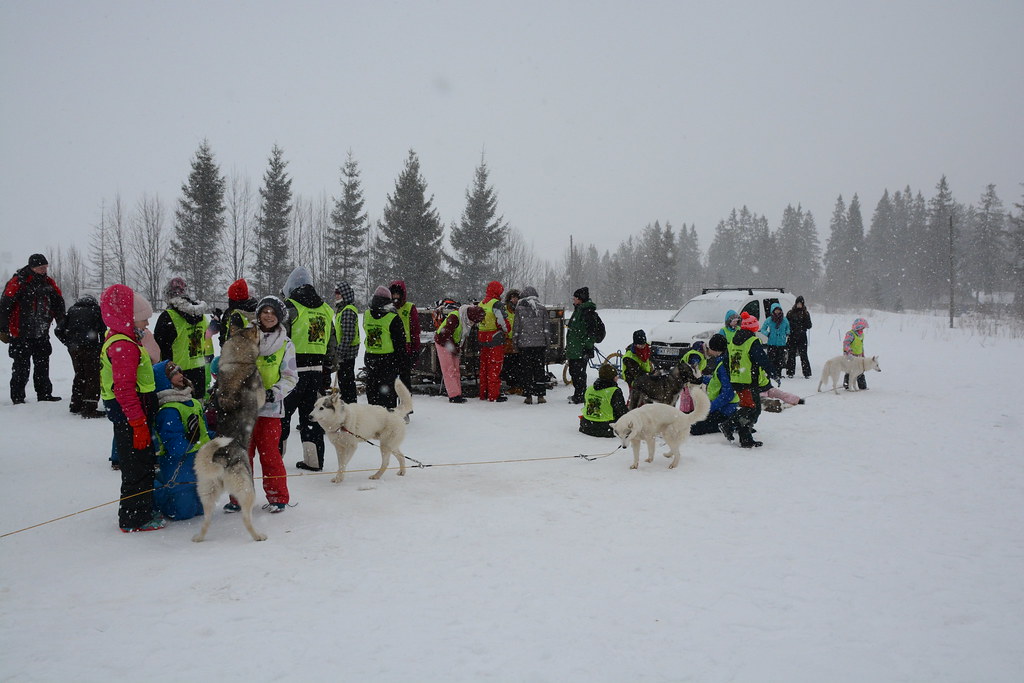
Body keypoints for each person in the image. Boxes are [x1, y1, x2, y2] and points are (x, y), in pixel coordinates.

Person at [100, 284, 164, 532]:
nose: (146, 325)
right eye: (142, 320)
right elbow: (124, 389)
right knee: (137, 466)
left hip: (134, 413)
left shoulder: (123, 338)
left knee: (142, 462)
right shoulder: (123, 345)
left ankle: (140, 508)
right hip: (131, 415)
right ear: (127, 318)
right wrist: (138, 423)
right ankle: (134, 518)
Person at [225, 295, 298, 513]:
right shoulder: (244, 338)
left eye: (273, 312)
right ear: (258, 314)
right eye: (265, 311)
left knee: (270, 454)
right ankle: (238, 498)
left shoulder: (285, 344)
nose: (268, 315)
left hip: (270, 410)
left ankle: (277, 497)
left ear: (279, 317)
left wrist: (273, 393)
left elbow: (290, 376)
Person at [281, 266, 336, 472]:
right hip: (317, 371)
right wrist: (328, 369)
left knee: (282, 416)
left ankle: (276, 459)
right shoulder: (325, 309)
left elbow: (280, 339)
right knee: (311, 417)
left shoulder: (290, 308)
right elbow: (332, 343)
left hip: (292, 371)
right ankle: (313, 460)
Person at [0, 253, 66, 404]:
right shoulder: (18, 282)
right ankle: (17, 398)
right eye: (41, 267)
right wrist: (2, 329)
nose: (44, 270)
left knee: (43, 365)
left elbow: (58, 304)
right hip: (20, 333)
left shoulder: (49, 283)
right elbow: (4, 306)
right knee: (21, 367)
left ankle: (44, 395)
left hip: (41, 332)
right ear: (32, 267)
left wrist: (62, 323)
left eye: (45, 267)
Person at [151, 360, 206, 521]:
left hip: (197, 462)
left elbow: (204, 433)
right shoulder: (168, 410)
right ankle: (152, 490)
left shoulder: (194, 402)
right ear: (164, 380)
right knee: (182, 512)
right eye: (174, 373)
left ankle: (163, 481)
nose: (180, 375)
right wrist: (190, 439)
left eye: (180, 371)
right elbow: (174, 446)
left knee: (200, 508)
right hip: (177, 463)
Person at [726, 313, 779, 448]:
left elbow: (728, 359)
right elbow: (762, 360)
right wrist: (773, 372)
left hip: (736, 378)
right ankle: (729, 425)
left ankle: (745, 437)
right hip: (748, 380)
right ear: (754, 327)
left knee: (747, 407)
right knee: (753, 409)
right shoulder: (752, 342)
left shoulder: (733, 339)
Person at [154, 277, 211, 399]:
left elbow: (158, 349)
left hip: (176, 374)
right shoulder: (201, 316)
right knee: (197, 409)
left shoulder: (168, 317)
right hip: (199, 370)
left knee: (179, 411)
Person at [55, 293, 107, 417]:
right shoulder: (96, 310)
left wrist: (68, 343)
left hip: (74, 349)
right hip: (91, 348)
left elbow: (58, 330)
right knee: (93, 377)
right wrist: (101, 346)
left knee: (80, 374)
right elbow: (103, 330)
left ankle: (76, 404)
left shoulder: (72, 310)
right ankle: (89, 408)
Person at [363, 285, 406, 409]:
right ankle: (387, 417)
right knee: (387, 393)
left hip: (371, 357)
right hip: (388, 359)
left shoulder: (366, 314)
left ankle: (374, 418)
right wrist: (401, 362)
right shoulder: (393, 318)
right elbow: (400, 343)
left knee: (372, 390)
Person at [689, 334, 740, 438]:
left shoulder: (724, 365)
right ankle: (735, 421)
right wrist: (702, 379)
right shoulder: (725, 361)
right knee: (692, 418)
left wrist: (708, 408)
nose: (708, 350)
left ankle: (731, 423)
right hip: (722, 407)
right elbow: (717, 381)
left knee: (693, 427)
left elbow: (727, 394)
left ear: (716, 350)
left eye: (710, 347)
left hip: (724, 409)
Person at [434, 298, 483, 404]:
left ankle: (457, 393)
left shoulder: (464, 318)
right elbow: (445, 335)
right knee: (449, 370)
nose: (473, 323)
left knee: (456, 370)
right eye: (474, 321)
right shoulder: (455, 317)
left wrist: (457, 348)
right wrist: (454, 348)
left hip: (453, 344)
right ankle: (454, 395)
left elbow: (460, 336)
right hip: (443, 343)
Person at [511, 286, 550, 405]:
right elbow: (546, 328)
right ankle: (540, 395)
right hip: (539, 345)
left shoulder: (519, 309)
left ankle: (528, 396)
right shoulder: (542, 309)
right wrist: (547, 343)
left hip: (524, 346)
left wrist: (515, 342)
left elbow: (516, 328)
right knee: (539, 370)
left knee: (526, 370)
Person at [565, 286, 603, 404]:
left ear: (580, 299)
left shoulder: (587, 313)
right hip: (575, 349)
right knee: (574, 372)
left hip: (581, 350)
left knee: (579, 374)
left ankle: (580, 396)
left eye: (575, 298)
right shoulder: (578, 311)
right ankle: (579, 394)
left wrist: (587, 347)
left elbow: (590, 334)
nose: (573, 300)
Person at [477, 280, 509, 402]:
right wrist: (506, 330)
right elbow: (502, 322)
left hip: (482, 338)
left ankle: (483, 393)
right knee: (494, 367)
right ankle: (493, 395)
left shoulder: (481, 303)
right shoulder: (496, 304)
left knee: (484, 368)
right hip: (494, 338)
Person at [389, 280, 421, 397]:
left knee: (404, 380)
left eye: (398, 294)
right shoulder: (388, 308)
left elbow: (415, 330)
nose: (395, 297)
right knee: (391, 379)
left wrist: (415, 349)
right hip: (391, 347)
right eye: (393, 294)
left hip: (405, 347)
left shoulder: (410, 307)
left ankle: (406, 407)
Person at [578, 363, 627, 438]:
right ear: (613, 378)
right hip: (606, 427)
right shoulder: (614, 391)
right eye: (616, 376)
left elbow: (586, 405)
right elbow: (621, 412)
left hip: (586, 425)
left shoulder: (590, 389)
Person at [332, 281, 360, 404]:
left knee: (347, 381)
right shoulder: (341, 309)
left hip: (347, 353)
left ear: (345, 295)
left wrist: (339, 354)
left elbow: (348, 335)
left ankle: (350, 405)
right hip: (344, 352)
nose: (336, 295)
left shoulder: (347, 310)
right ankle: (347, 403)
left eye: (339, 293)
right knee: (345, 381)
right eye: (336, 293)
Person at [216, 278, 259, 347]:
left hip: (234, 353)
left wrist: (223, 344)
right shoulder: (256, 310)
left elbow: (228, 334)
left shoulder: (235, 315)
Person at [500, 288, 523, 395]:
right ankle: (512, 385)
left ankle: (518, 385)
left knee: (519, 365)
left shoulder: (522, 309)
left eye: (517, 297)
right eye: (513, 297)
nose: (515, 299)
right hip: (508, 342)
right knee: (509, 365)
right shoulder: (504, 309)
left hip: (519, 341)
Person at [785, 295, 813, 378]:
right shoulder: (790, 313)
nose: (799, 305)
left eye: (801, 304)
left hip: (802, 337)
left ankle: (806, 373)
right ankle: (790, 372)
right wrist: (792, 327)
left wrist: (802, 326)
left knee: (803, 355)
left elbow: (809, 325)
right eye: (798, 303)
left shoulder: (806, 313)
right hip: (792, 336)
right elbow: (786, 323)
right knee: (791, 355)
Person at [621, 329, 652, 397]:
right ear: (635, 344)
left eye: (643, 344)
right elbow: (637, 373)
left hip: (645, 380)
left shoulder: (648, 349)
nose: (642, 347)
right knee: (635, 402)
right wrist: (650, 377)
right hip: (633, 381)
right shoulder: (628, 357)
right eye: (639, 345)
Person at [678, 341, 707, 413]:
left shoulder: (694, 353)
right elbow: (693, 365)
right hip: (689, 382)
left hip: (686, 381)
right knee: (689, 398)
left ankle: (688, 412)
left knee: (688, 398)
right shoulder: (696, 355)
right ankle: (688, 413)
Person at [760, 303, 790, 372]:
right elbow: (763, 329)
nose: (777, 312)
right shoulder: (769, 320)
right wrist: (768, 334)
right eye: (775, 310)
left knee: (780, 360)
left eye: (778, 310)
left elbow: (788, 328)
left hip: (781, 343)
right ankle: (772, 373)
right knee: (771, 359)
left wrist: (786, 333)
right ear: (772, 311)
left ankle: (778, 373)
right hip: (772, 343)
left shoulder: (784, 320)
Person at [843, 317, 870, 390]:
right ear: (857, 327)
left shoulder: (862, 335)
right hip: (850, 356)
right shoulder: (850, 334)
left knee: (860, 370)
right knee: (850, 370)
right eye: (861, 328)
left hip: (859, 356)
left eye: (863, 329)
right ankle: (847, 384)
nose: (862, 330)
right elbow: (846, 344)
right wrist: (849, 353)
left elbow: (861, 345)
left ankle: (862, 386)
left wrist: (863, 354)